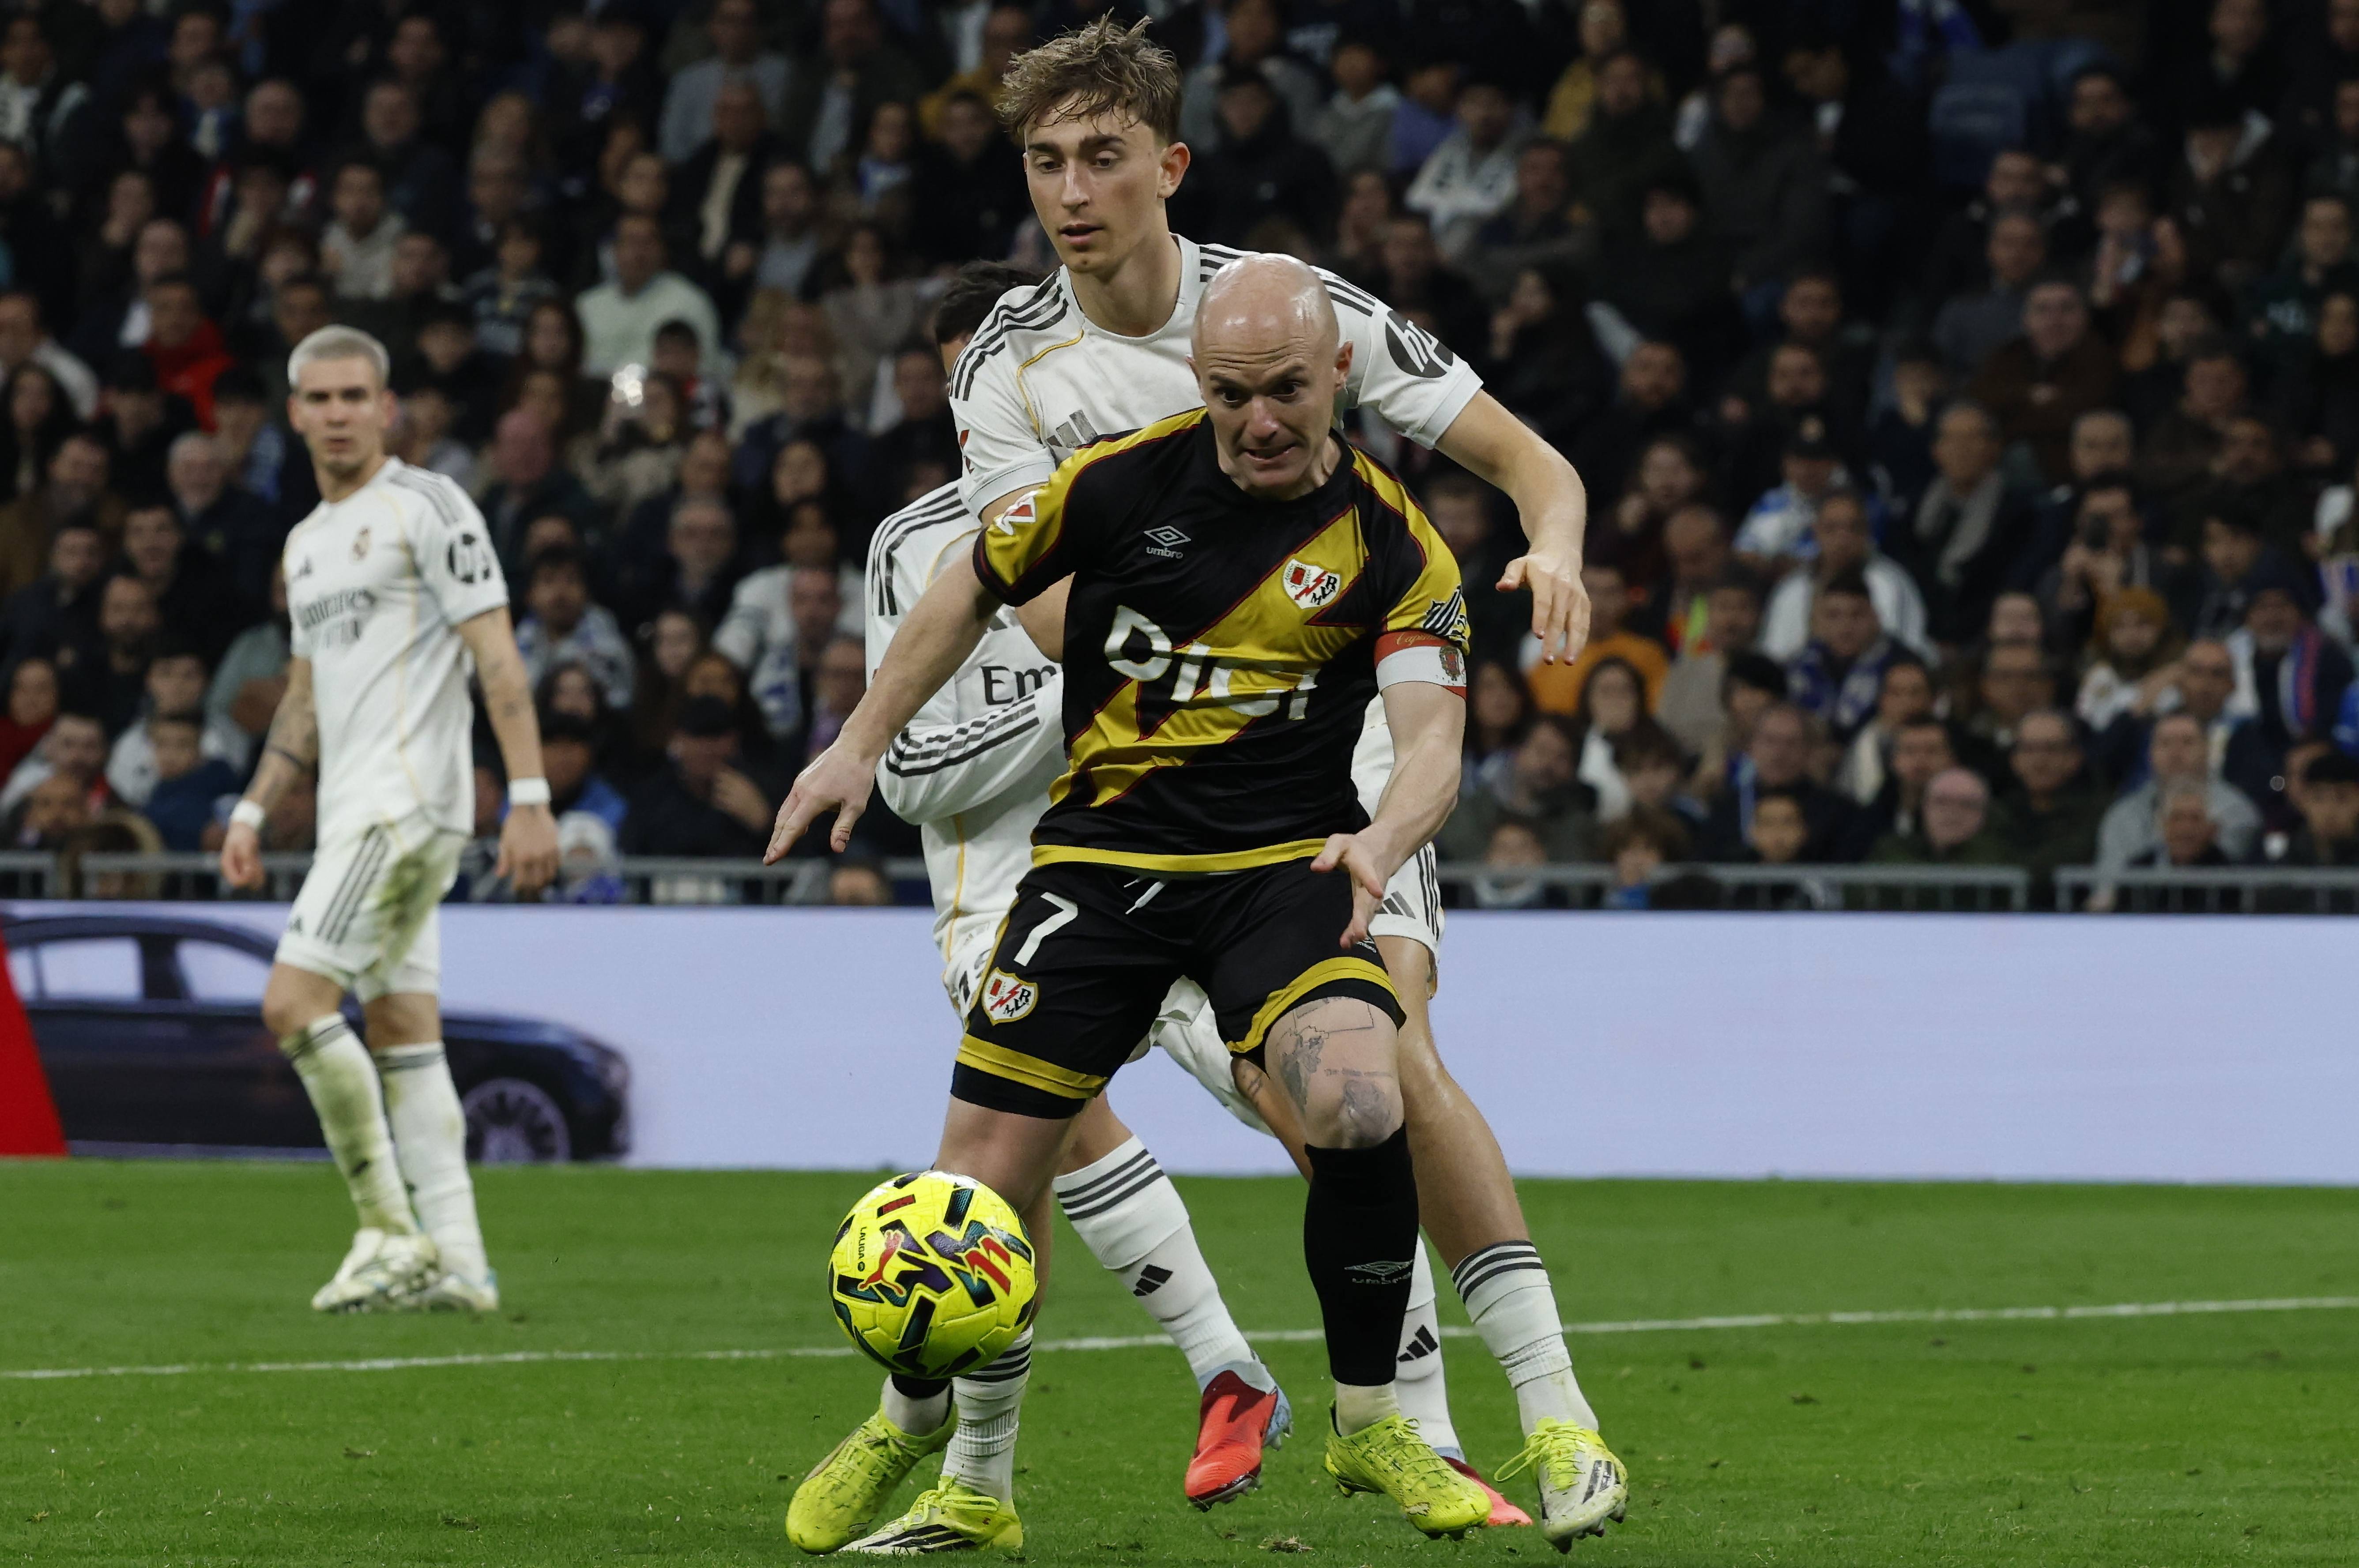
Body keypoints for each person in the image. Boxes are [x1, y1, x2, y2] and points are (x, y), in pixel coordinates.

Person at [927, 19, 1621, 1553]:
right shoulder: (1004, 364)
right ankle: (1006, 1459)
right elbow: (1032, 604)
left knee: (1393, 1057)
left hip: (1338, 745)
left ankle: (1550, 1412)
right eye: (1045, 162)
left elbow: (1537, 468)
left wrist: (1557, 549)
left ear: (1168, 165)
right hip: (1149, 772)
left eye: (1103, 157)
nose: (1072, 192)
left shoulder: (1299, 311)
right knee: (1265, 1104)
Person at [778, 252, 1561, 1549]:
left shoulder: (1391, 538)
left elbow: (1434, 738)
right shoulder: (1112, 485)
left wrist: (1384, 837)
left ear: (1338, 377)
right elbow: (975, 583)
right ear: (1196, 382)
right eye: (1231, 395)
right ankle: (932, 1444)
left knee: (1360, 1097)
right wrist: (857, 745)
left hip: (1278, 871)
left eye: (1285, 391)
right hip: (1099, 870)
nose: (1259, 421)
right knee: (972, 1199)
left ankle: (1382, 1422)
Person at [215, 326, 558, 1315]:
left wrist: (530, 797)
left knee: (292, 1004)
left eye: (354, 397)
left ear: (387, 407)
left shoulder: (428, 505)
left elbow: (496, 654)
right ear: (295, 414)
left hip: (402, 807)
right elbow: (304, 701)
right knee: (405, 1030)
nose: (338, 415)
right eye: (320, 399)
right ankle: (460, 1264)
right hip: (349, 811)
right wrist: (252, 808)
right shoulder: (307, 545)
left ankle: (387, 1229)